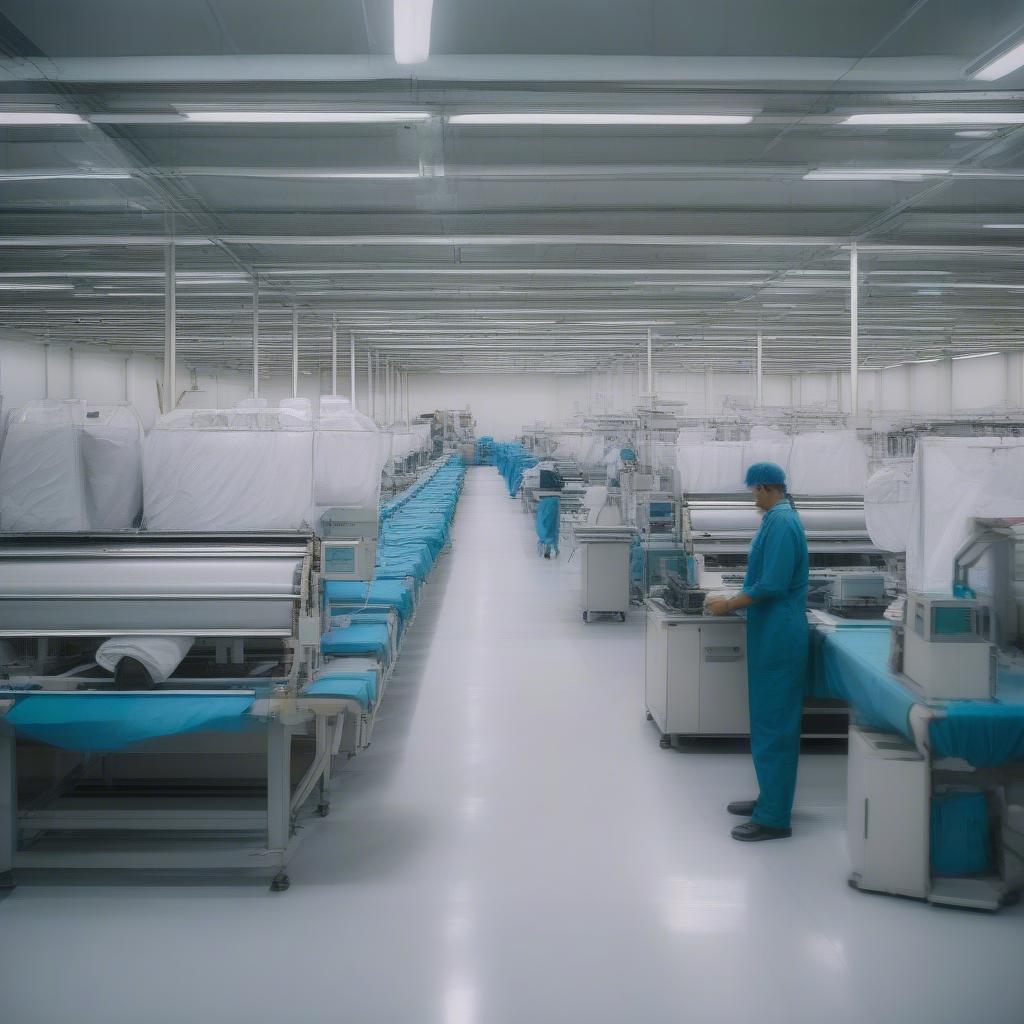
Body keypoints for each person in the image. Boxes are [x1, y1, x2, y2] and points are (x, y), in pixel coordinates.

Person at [706, 462, 809, 842]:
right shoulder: (776, 518)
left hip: (778, 634)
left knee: (775, 726)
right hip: (770, 631)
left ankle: (774, 818)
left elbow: (773, 584)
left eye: (753, 491)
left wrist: (730, 604)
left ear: (767, 487)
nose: (752, 497)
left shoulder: (781, 522)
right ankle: (770, 798)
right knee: (768, 723)